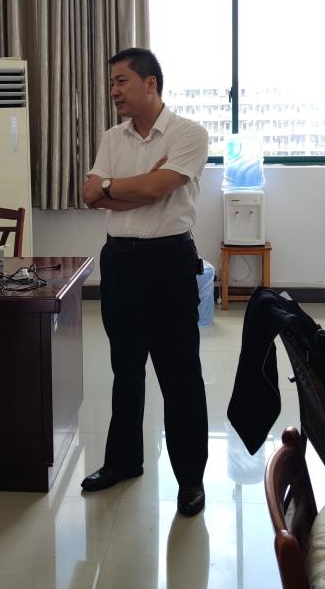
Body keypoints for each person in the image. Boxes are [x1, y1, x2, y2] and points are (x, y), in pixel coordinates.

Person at [79, 47, 210, 517]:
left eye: (122, 81)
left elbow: (152, 189)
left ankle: (190, 479)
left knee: (180, 375)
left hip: (168, 262)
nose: (114, 91)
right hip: (119, 262)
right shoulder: (112, 137)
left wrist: (117, 188)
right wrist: (137, 187)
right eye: (112, 82)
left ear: (151, 83)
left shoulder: (188, 134)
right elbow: (91, 195)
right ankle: (123, 461)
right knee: (126, 370)